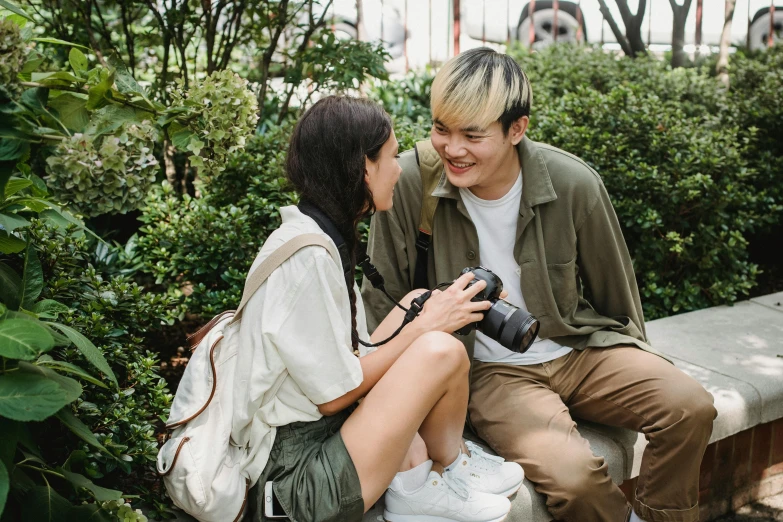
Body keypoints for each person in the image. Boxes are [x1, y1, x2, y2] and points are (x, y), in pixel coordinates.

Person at [361, 48, 717, 522]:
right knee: (575, 481)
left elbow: (617, 292)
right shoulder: (411, 183)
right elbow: (383, 304)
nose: (452, 148)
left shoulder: (573, 184)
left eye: (472, 134)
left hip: (579, 348)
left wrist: (635, 368)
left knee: (690, 407)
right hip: (490, 373)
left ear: (517, 129)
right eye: (441, 128)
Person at [232, 95, 524, 522]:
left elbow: (340, 365)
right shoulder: (308, 259)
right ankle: (416, 491)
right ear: (363, 168)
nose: (399, 169)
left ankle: (451, 465)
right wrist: (424, 328)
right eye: (390, 156)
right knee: (436, 348)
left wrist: (430, 311)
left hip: (308, 441)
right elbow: (335, 396)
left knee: (414, 303)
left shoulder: (313, 233)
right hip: (297, 484)